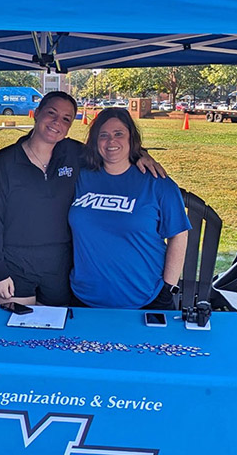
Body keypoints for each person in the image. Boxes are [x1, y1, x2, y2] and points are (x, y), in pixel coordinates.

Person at [0, 93, 164, 308]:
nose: (57, 122)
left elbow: (112, 150)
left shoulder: (74, 154)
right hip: (14, 264)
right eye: (52, 113)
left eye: (66, 119)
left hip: (61, 267)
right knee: (12, 334)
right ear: (37, 113)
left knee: (59, 335)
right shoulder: (4, 163)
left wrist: (141, 154)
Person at [69, 108, 190, 310]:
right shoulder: (79, 177)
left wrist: (168, 288)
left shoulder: (157, 183)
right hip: (82, 298)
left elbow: (178, 235)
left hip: (144, 300)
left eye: (119, 134)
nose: (111, 141)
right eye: (103, 135)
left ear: (131, 138)